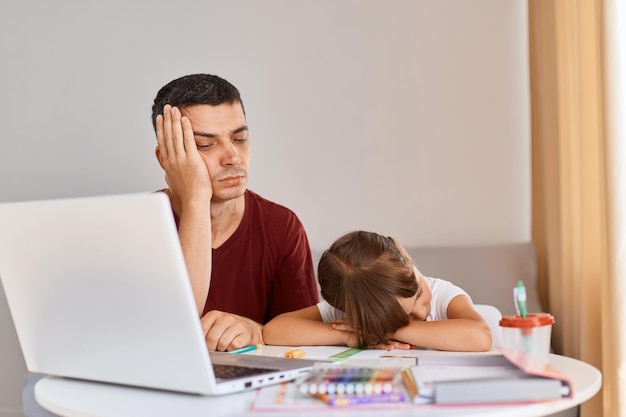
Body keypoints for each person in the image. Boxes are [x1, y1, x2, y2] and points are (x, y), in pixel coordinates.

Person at [151, 73, 319, 352]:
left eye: (240, 138)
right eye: (206, 144)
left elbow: (304, 340)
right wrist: (196, 198)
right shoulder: (142, 226)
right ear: (165, 158)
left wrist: (258, 331)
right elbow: (171, 336)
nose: (233, 157)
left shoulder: (282, 226)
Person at [263, 230, 493, 351]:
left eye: (419, 294)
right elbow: (274, 331)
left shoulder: (442, 294)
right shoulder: (356, 309)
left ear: (407, 260)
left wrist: (388, 330)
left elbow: (481, 336)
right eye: (404, 318)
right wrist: (351, 334)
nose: (422, 313)